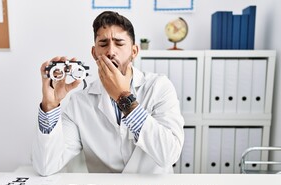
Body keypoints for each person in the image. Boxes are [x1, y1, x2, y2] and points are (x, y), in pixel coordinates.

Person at [32, 11, 184, 176]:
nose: (111, 51)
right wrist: (50, 106)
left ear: (134, 51)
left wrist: (123, 97)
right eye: (103, 44)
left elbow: (169, 155)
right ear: (94, 53)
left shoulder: (159, 87)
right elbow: (46, 167)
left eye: (119, 43)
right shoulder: (80, 102)